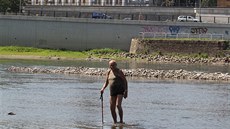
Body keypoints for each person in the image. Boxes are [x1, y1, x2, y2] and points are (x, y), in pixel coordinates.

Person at [100, 60, 128, 124]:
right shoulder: (109, 72)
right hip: (112, 91)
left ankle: (121, 121)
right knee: (112, 107)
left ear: (116, 65)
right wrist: (103, 88)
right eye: (110, 65)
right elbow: (106, 82)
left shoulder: (119, 71)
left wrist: (126, 91)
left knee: (118, 105)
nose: (111, 66)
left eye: (113, 65)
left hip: (120, 90)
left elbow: (125, 81)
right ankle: (115, 122)